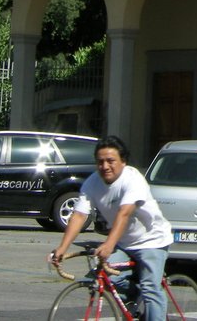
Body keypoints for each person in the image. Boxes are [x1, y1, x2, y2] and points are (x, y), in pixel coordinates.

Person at [49, 135, 172, 321]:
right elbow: (80, 215)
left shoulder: (133, 180)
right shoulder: (92, 182)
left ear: (123, 161)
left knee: (150, 288)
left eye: (110, 161)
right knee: (104, 277)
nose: (105, 166)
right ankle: (131, 300)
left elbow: (124, 214)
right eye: (100, 162)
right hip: (124, 242)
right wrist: (62, 248)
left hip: (152, 240)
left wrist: (108, 245)